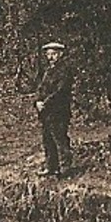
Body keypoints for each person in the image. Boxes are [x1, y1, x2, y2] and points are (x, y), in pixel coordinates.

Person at [34, 40, 74, 177]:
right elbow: (41, 88)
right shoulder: (48, 71)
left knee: (59, 138)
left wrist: (45, 102)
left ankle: (65, 169)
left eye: (54, 54)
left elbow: (60, 91)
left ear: (60, 54)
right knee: (47, 139)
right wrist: (38, 101)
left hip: (59, 111)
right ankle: (51, 167)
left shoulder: (64, 70)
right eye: (48, 54)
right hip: (46, 112)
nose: (50, 57)